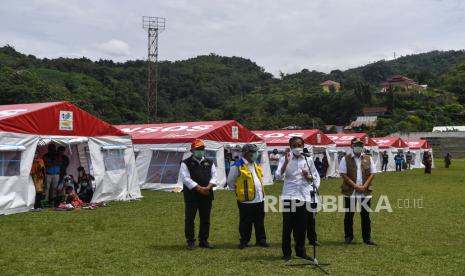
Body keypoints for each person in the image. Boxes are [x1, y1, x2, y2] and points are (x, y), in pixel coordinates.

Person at [276, 137, 320, 261]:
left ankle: (301, 252)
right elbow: (278, 176)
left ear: (303, 145)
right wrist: (285, 162)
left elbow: (315, 177)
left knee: (302, 227)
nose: (297, 148)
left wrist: (308, 176)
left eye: (299, 145)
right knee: (287, 226)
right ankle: (286, 253)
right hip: (289, 196)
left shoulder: (308, 159)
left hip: (304, 196)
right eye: (294, 145)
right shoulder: (285, 159)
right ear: (290, 147)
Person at [227, 144, 268, 249]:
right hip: (246, 200)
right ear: (246, 153)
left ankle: (261, 240)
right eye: (253, 152)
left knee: (260, 221)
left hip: (259, 198)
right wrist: (237, 191)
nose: (255, 154)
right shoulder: (237, 165)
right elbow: (231, 181)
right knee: (245, 222)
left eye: (256, 152)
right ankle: (244, 240)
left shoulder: (255, 163)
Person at [339, 138, 377, 246]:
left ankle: (367, 238)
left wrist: (364, 186)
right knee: (349, 215)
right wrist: (355, 186)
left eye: (360, 144)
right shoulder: (345, 159)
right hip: (350, 192)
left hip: (365, 192)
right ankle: (348, 237)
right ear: (351, 146)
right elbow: (343, 174)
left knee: (365, 216)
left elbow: (373, 173)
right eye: (356, 144)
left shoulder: (368, 158)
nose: (359, 146)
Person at [180, 139, 217, 250]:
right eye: (198, 149)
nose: (201, 151)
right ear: (192, 150)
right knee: (190, 219)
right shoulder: (185, 163)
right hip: (192, 196)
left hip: (207, 194)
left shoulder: (210, 162)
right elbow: (185, 178)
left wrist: (208, 187)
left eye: (202, 149)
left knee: (205, 218)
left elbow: (214, 176)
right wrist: (199, 188)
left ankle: (204, 240)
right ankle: (190, 241)